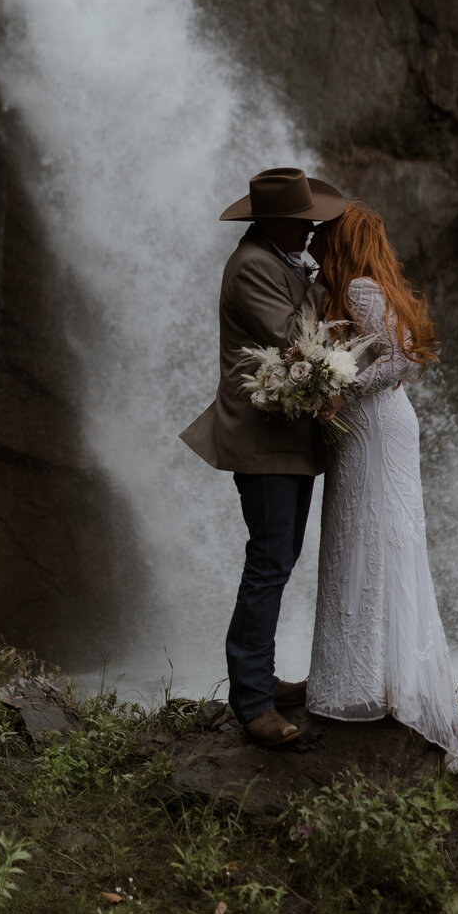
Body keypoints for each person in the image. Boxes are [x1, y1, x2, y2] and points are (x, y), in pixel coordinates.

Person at [180, 167, 347, 749]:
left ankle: (262, 680)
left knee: (276, 558)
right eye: (300, 224)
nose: (309, 231)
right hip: (265, 440)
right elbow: (295, 336)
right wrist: (337, 289)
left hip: (284, 441)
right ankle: (252, 702)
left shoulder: (282, 260)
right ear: (271, 221)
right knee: (270, 562)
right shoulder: (253, 265)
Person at [307, 200, 458, 771]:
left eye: (327, 233)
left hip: (375, 428)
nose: (318, 241)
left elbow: (399, 360)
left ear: (346, 240)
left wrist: (338, 392)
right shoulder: (373, 287)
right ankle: (382, 677)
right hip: (386, 425)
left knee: (369, 539)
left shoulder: (358, 290)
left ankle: (374, 681)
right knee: (378, 539)